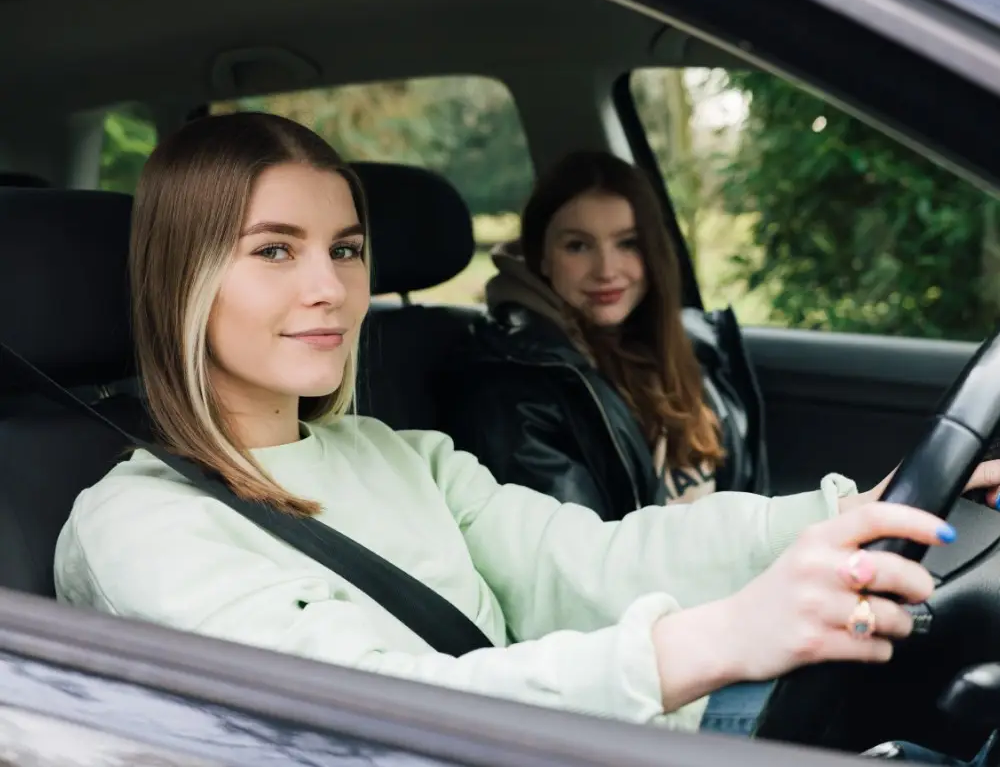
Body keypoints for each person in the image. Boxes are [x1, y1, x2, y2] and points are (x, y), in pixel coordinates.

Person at [52, 112, 1000, 746]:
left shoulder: (392, 453)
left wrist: (853, 512)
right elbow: (371, 715)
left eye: (345, 249)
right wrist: (713, 642)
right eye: (273, 251)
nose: (329, 288)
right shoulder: (138, 528)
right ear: (184, 279)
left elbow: (589, 558)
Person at [444, 150, 763, 521]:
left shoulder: (693, 345)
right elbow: (581, 560)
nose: (607, 270)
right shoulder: (515, 387)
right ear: (541, 256)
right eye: (578, 246)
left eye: (628, 243)